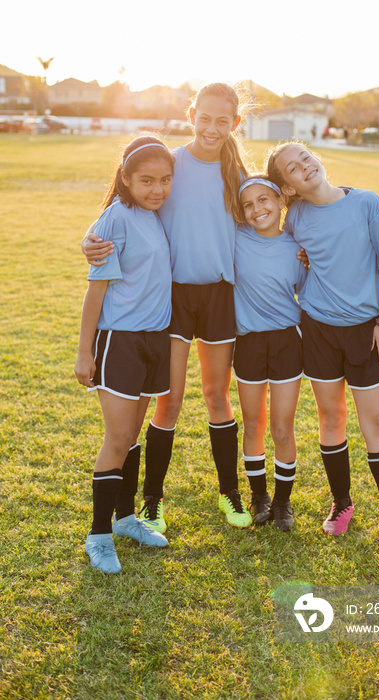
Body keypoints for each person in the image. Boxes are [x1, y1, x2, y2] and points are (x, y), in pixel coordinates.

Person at [81, 83, 253, 531]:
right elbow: (125, 204)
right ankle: (151, 500)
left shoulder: (239, 173)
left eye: (223, 120)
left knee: (217, 396)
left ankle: (229, 493)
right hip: (171, 297)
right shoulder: (169, 164)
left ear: (235, 124)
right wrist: (89, 240)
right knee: (169, 401)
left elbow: (276, 209)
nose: (212, 128)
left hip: (219, 295)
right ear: (191, 114)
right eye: (205, 117)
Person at [267, 141, 379, 556]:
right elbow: (282, 252)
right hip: (319, 330)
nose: (305, 165)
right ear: (287, 188)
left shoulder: (367, 203)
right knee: (331, 419)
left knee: (377, 426)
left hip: (367, 330)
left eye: (305, 157)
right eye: (293, 167)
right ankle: (342, 503)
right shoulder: (296, 219)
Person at [75, 135, 174, 574]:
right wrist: (84, 353)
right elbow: (94, 293)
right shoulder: (116, 217)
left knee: (131, 437)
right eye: (147, 181)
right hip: (120, 340)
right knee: (116, 439)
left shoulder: (157, 214)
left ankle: (126, 518)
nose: (157, 189)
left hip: (155, 340)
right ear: (126, 179)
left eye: (165, 180)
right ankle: (98, 535)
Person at [234, 176, 307, 531]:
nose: (257, 209)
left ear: (280, 202)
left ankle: (282, 502)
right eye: (248, 204)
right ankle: (259, 496)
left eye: (264, 200)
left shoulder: (297, 248)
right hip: (247, 342)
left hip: (286, 343)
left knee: (281, 428)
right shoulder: (235, 240)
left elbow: (309, 292)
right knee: (253, 425)